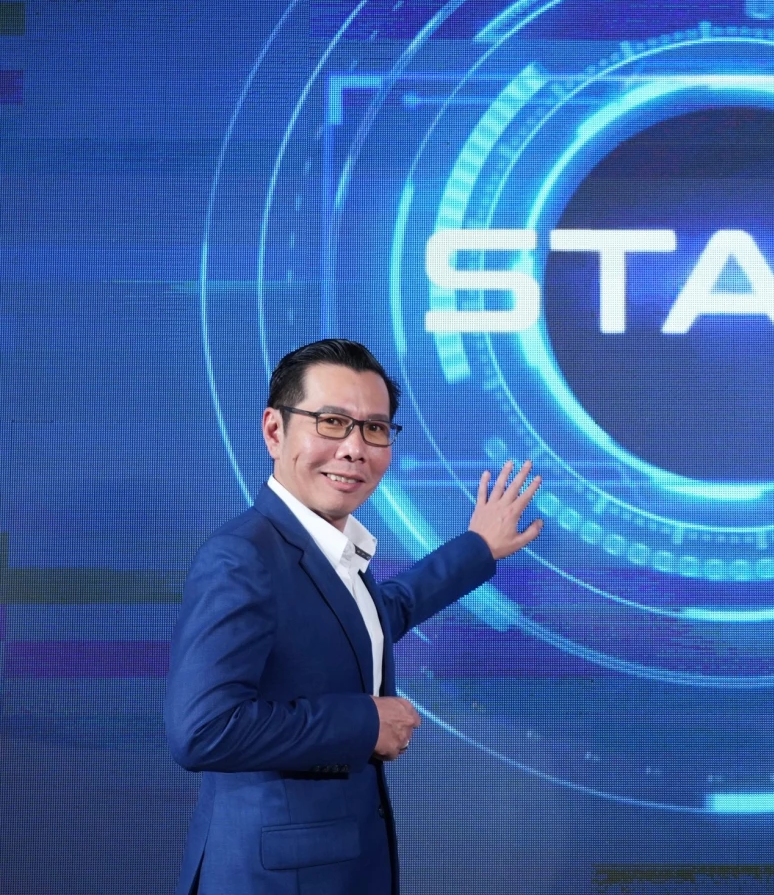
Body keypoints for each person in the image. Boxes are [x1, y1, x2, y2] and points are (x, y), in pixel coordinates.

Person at [166, 339, 543, 895]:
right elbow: (203, 731)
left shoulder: (325, 550)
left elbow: (372, 617)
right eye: (332, 422)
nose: (354, 449)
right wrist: (366, 723)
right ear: (274, 431)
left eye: (374, 429)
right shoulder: (243, 557)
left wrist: (476, 548)